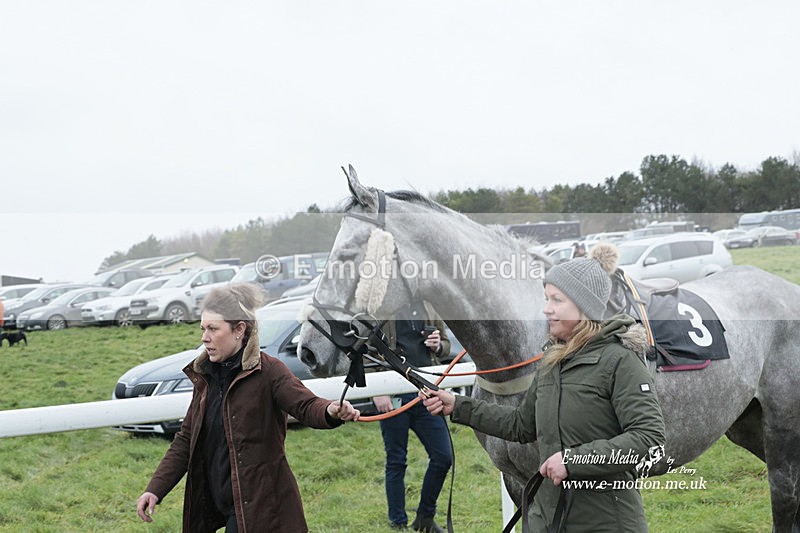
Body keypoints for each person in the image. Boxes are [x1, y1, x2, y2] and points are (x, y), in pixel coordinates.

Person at [421, 244, 665, 532]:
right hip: (546, 519)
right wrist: (458, 406)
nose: (546, 309)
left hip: (605, 522)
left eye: (556, 300)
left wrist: (573, 461)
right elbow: (521, 425)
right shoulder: (552, 361)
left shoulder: (620, 362)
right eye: (546, 298)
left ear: (584, 307)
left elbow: (648, 438)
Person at [136, 282, 359, 533]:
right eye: (202, 328)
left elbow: (306, 404)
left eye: (212, 328)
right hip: (215, 500)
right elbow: (186, 439)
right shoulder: (205, 376)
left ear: (239, 329)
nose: (204, 337)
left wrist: (330, 410)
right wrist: (155, 489)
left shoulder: (269, 371)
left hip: (261, 506)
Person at [372, 298, 453, 532]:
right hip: (394, 393)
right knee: (396, 460)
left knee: (443, 457)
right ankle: (398, 523)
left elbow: (446, 346)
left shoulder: (430, 304)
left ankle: (425, 517)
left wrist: (438, 345)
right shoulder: (380, 307)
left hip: (427, 393)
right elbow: (367, 348)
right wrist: (378, 390)